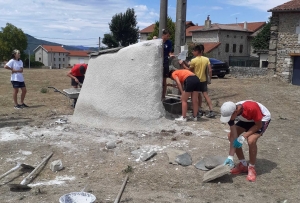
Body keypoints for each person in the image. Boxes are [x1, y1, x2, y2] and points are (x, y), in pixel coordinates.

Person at [220, 100, 271, 182]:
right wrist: (230, 156)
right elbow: (233, 135)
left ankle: (251, 168)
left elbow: (258, 125)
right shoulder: (231, 112)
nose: (228, 119)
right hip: (247, 119)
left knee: (251, 140)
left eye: (229, 117)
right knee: (230, 135)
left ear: (235, 112)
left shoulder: (251, 108)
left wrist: (244, 136)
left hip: (261, 119)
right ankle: (243, 165)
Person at [179, 44, 214, 118]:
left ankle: (198, 110)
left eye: (193, 51)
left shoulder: (194, 60)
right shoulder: (206, 59)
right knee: (205, 95)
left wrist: (183, 64)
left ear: (197, 51)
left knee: (197, 96)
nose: (192, 52)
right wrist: (209, 78)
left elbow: (189, 69)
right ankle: (211, 110)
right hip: (204, 80)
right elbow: (210, 70)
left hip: (196, 80)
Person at [162, 29, 172, 100]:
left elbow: (170, 52)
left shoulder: (169, 42)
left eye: (168, 36)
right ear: (163, 35)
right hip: (159, 62)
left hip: (165, 62)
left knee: (164, 80)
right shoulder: (158, 42)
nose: (168, 37)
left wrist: (171, 55)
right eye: (167, 36)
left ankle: (163, 95)